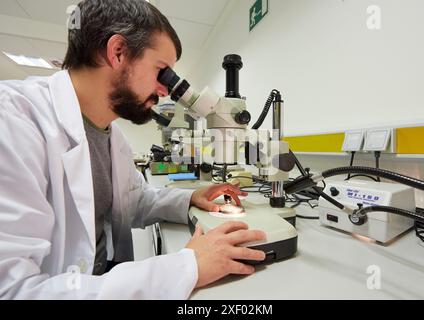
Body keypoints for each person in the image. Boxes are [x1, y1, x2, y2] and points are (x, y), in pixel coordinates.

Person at [0, 0, 266, 299]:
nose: (166, 90)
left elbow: (134, 202)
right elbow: (14, 290)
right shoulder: (13, 120)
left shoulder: (111, 136)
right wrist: (185, 267)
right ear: (118, 52)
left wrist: (191, 197)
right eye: (162, 72)